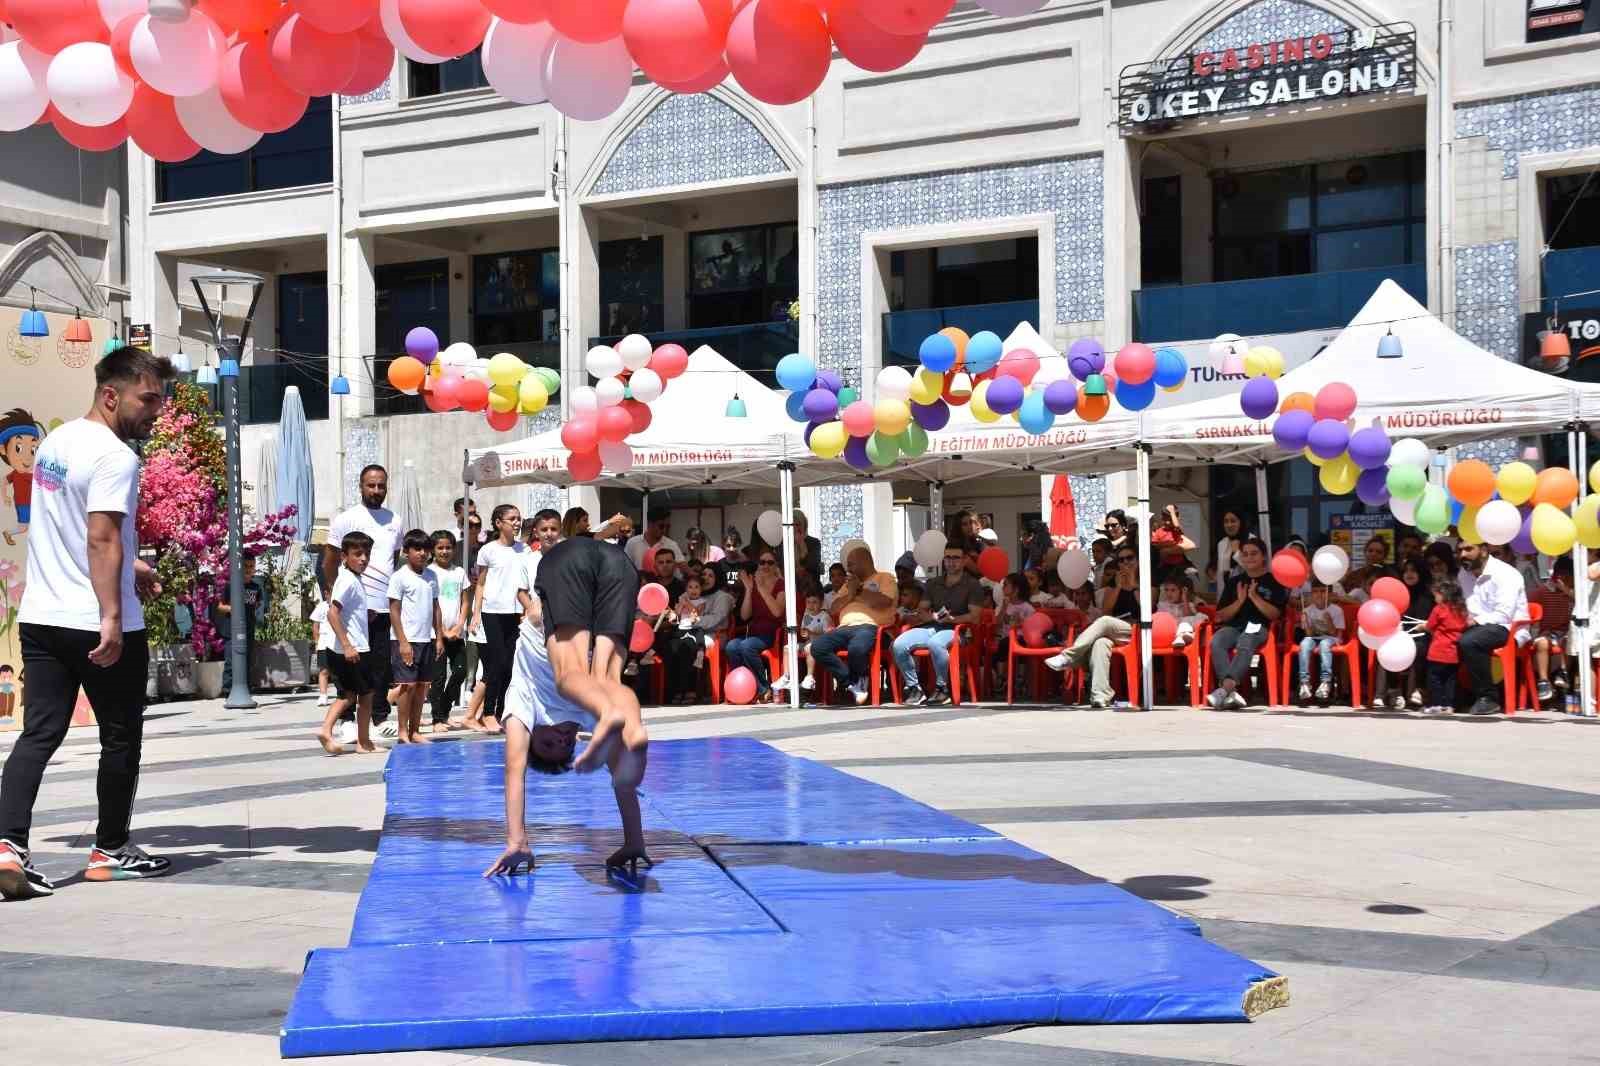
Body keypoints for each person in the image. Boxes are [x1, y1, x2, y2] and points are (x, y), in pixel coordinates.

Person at [0, 347, 174, 900]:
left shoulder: (56, 443)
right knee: (120, 735)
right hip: (93, 620)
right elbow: (99, 537)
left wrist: (134, 561)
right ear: (110, 395)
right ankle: (110, 849)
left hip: (42, 615)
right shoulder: (115, 456)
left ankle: (8, 845)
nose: (156, 411)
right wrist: (113, 617)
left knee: (39, 733)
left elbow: (78, 526)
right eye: (148, 399)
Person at [487, 534, 649, 877]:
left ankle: (623, 720)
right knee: (609, 684)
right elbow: (622, 779)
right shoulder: (586, 720)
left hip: (568, 561)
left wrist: (517, 840)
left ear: (535, 736)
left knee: (573, 678)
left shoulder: (523, 700)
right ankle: (634, 727)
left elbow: (513, 770)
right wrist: (635, 839)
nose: (560, 737)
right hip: (617, 566)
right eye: (564, 745)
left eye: (548, 743)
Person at [325, 465, 403, 732]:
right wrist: (331, 593)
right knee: (350, 666)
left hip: (381, 605)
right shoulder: (345, 519)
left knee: (379, 666)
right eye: (371, 485)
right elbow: (330, 560)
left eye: (381, 485)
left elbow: (393, 559)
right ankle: (347, 720)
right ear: (360, 486)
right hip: (352, 607)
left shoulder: (395, 520)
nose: (376, 490)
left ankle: (379, 718)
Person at [1043, 544, 1140, 709]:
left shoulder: (1146, 585)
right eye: (1121, 560)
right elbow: (1108, 610)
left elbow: (1146, 609)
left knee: (1104, 621)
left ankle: (1069, 656)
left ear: (1137, 561)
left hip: (1136, 629)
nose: (1125, 562)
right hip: (1112, 631)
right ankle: (1100, 695)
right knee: (1099, 644)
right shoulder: (1112, 587)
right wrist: (1118, 586)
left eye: (1129, 558)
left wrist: (1132, 584)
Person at [892, 541, 986, 707]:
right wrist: (932, 616)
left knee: (935, 643)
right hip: (932, 626)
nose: (951, 562)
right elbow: (922, 610)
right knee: (899, 644)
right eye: (947, 558)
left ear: (964, 560)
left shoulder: (973, 585)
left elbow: (975, 617)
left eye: (955, 558)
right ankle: (914, 688)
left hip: (958, 631)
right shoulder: (933, 583)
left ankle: (942, 689)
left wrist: (953, 620)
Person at [315, 532, 380, 756]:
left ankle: (336, 733)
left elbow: (345, 613)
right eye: (357, 554)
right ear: (344, 556)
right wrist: (348, 645)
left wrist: (365, 614)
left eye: (367, 554)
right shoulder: (347, 581)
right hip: (352, 650)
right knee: (364, 695)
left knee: (352, 695)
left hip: (352, 647)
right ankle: (362, 742)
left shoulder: (354, 579)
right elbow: (332, 614)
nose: (363, 559)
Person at [810, 546, 898, 705]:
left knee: (856, 648)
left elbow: (884, 602)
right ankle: (852, 683)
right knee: (817, 647)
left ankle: (859, 680)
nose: (848, 569)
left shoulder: (884, 578)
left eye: (851, 564)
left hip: (873, 628)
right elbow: (834, 608)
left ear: (864, 562)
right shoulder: (848, 584)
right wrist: (850, 593)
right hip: (844, 628)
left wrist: (858, 591)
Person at [1207, 536, 1286, 710]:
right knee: (1217, 641)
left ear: (1264, 556)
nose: (1249, 557)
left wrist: (1254, 597)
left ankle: (1224, 688)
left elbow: (1275, 615)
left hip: (1259, 627)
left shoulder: (1274, 582)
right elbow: (1221, 615)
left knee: (1246, 640)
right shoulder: (1234, 582)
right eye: (1245, 554)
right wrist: (1240, 601)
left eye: (1254, 553)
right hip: (1234, 626)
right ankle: (1230, 691)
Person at [472, 504, 529, 732]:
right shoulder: (488, 550)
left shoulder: (524, 550)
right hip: (492, 611)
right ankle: (487, 712)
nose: (517, 522)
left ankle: (501, 711)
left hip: (515, 612)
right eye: (512, 519)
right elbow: (481, 584)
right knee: (495, 664)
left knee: (509, 665)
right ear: (498, 523)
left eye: (519, 518)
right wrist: (476, 613)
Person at [1456, 541, 1529, 715]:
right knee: (1442, 637)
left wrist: (1474, 621)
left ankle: (1488, 698)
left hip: (1507, 627)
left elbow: (1503, 615)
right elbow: (1465, 607)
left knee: (1470, 641)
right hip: (1477, 625)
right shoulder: (1463, 574)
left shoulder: (1506, 574)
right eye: (1459, 550)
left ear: (1483, 550)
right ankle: (1449, 696)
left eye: (1468, 549)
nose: (1462, 555)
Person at [387, 529, 444, 745]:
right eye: (417, 549)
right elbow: (394, 610)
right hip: (406, 639)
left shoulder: (432, 576)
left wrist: (438, 637)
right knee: (406, 686)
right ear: (406, 551)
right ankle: (402, 731)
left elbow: (436, 607)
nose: (422, 554)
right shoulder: (399, 577)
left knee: (422, 685)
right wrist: (403, 641)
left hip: (426, 638)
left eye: (425, 550)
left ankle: (415, 730)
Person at [728, 547, 786, 703]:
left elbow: (777, 612)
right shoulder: (753, 585)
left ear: (775, 566)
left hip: (771, 633)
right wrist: (748, 590)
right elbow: (745, 615)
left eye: (770, 563)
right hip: (754, 632)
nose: (765, 566)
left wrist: (761, 588)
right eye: (762, 563)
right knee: (732, 646)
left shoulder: (781, 585)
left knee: (747, 646)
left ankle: (763, 688)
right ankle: (743, 688)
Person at [427, 530, 469, 732]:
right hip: (437, 634)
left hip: (456, 633)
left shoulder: (459, 572)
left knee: (460, 670)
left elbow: (465, 601)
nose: (445, 551)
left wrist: (460, 625)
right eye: (440, 547)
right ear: (433, 550)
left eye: (448, 547)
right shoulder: (429, 573)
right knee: (439, 676)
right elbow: (430, 605)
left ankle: (444, 710)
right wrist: (442, 631)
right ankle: (436, 719)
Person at [1531, 557, 1574, 704]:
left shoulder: (1574, 593)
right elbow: (1528, 607)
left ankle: (1563, 672)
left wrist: (1567, 591)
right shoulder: (1542, 592)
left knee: (1569, 640)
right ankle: (1543, 682)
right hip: (1547, 632)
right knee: (1543, 643)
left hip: (1568, 632)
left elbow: (1582, 604)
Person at [1424, 578, 1469, 713]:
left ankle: (1436, 704)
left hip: (1438, 651)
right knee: (1451, 680)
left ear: (1443, 594)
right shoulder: (1461, 610)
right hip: (1454, 652)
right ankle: (1449, 705)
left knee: (1435, 679)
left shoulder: (1438, 609)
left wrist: (1424, 627)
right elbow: (1465, 626)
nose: (1434, 598)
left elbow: (1429, 626)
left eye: (1436, 595)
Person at [1296, 583, 1345, 705]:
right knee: (1304, 644)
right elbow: (1310, 634)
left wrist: (1329, 622)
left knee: (1324, 644)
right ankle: (1304, 682)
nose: (1319, 594)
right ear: (1311, 594)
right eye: (1315, 591)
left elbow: (1336, 634)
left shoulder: (1336, 610)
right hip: (1314, 637)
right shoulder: (1307, 610)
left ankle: (1325, 682)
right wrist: (1306, 624)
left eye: (1323, 591)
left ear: (1331, 594)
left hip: (1332, 638)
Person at [0, 407, 40, 545]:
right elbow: (3, 481)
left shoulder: (33, 473)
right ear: (3, 450)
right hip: (24, 503)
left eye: (33, 449)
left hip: (33, 503)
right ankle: (8, 533)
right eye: (19, 448)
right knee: (24, 527)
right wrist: (4, 496)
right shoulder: (17, 474)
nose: (27, 458)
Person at [1157, 575, 1205, 649]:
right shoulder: (1163, 605)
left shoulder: (1188, 605)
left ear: (1181, 591)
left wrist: (1184, 599)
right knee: (1182, 623)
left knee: (1191, 620)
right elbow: (1161, 622)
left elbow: (1190, 617)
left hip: (1184, 631)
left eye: (1173, 590)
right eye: (1166, 590)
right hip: (1169, 632)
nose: (1169, 594)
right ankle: (1181, 636)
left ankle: (1183, 636)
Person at [1150, 505, 1196, 581]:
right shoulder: (1159, 531)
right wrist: (1168, 544)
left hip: (1179, 566)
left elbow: (1177, 526)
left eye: (1170, 520)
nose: (1167, 522)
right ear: (1161, 518)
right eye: (1165, 519)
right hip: (1165, 566)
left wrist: (1172, 512)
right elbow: (1154, 544)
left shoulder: (1176, 531)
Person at [1214, 509, 1247, 598]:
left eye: (1233, 521)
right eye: (1226, 521)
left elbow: (1252, 568)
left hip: (1244, 592)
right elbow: (1221, 573)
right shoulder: (1222, 543)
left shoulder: (1252, 541)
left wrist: (1237, 552)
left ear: (1241, 522)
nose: (1229, 525)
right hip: (1226, 592)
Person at [310, 598, 333, 708]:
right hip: (324, 642)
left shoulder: (342, 604)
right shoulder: (321, 606)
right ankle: (323, 695)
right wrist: (317, 642)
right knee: (324, 670)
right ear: (326, 594)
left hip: (339, 642)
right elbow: (315, 626)